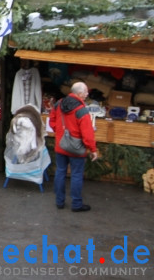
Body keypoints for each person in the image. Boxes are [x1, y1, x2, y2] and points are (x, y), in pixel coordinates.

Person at [51, 82, 100, 212]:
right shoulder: (82, 110)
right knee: (76, 175)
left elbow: (52, 121)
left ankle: (59, 202)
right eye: (85, 92)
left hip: (61, 145)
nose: (87, 94)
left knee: (60, 172)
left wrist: (61, 133)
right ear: (79, 94)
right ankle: (76, 204)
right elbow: (87, 134)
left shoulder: (59, 103)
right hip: (77, 149)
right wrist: (93, 149)